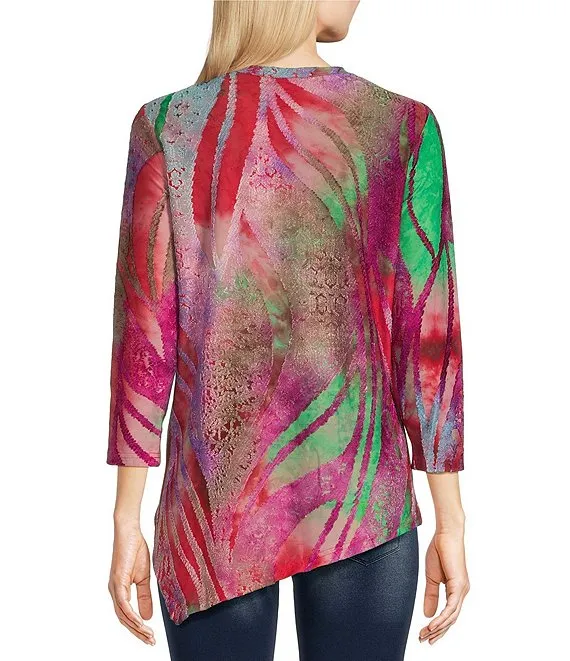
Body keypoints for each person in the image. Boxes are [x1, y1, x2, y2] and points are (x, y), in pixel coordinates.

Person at [106, 1, 470, 659]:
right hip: (361, 498)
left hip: (215, 511)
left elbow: (143, 339)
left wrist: (126, 515)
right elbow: (429, 340)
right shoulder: (401, 126)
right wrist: (451, 515)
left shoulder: (169, 126)